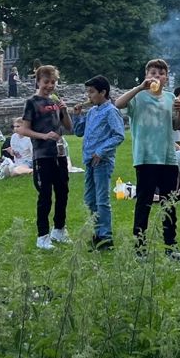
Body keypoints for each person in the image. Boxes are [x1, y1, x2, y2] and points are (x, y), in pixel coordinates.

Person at [114, 58, 180, 260]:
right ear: (146, 75)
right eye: (152, 73)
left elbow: (175, 125)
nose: (156, 76)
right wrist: (139, 87)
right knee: (144, 203)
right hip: (145, 157)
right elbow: (118, 104)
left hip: (167, 157)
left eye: (161, 73)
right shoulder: (138, 97)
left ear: (166, 78)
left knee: (169, 203)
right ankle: (140, 248)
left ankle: (171, 246)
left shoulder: (171, 98)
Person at [19, 64, 73, 249]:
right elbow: (24, 129)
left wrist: (64, 110)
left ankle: (59, 229)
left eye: (53, 82)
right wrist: (44, 136)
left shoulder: (56, 100)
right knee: (45, 195)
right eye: (46, 82)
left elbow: (69, 127)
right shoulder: (32, 102)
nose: (50, 85)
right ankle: (42, 236)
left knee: (63, 192)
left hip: (59, 154)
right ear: (38, 81)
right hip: (42, 155)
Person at [72, 75, 125, 249]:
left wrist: (101, 152)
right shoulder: (92, 112)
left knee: (102, 199)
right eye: (87, 92)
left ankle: (106, 237)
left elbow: (119, 135)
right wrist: (77, 116)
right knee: (90, 199)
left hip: (102, 162)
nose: (89, 96)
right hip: (89, 161)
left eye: (92, 92)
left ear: (103, 92)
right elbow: (79, 132)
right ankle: (97, 232)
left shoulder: (111, 111)